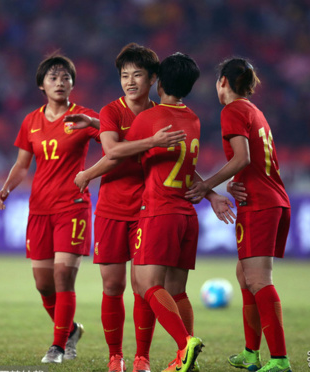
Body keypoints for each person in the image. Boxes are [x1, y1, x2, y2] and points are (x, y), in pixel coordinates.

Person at [69, 43, 186, 372]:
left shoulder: (160, 114)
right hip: (110, 208)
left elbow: (179, 158)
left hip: (148, 209)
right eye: (124, 75)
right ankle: (115, 356)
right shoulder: (111, 111)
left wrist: (208, 191)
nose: (130, 81)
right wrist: (151, 142)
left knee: (142, 287)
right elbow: (112, 149)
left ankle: (142, 358)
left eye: (137, 75)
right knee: (112, 285)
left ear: (153, 78)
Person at [124, 52, 234, 372]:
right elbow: (184, 167)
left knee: (146, 285)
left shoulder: (148, 119)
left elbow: (122, 155)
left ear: (157, 81)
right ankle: (184, 358)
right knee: (177, 290)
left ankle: (185, 344)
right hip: (187, 214)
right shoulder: (193, 119)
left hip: (159, 212)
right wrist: (212, 195)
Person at [185, 57, 292, 372]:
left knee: (258, 279)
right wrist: (235, 183)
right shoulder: (254, 112)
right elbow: (256, 161)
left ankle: (280, 359)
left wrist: (207, 185)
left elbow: (243, 157)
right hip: (269, 198)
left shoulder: (232, 110)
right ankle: (250, 352)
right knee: (245, 276)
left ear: (223, 83)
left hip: (260, 204)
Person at [0, 54, 97, 364]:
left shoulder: (83, 116)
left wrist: (93, 122)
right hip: (40, 209)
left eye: (66, 77)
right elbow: (22, 164)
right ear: (41, 85)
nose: (60, 82)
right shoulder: (31, 121)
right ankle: (70, 331)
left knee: (64, 274)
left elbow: (117, 134)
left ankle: (57, 346)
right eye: (53, 78)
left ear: (72, 84)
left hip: (73, 206)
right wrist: (6, 187)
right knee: (43, 284)